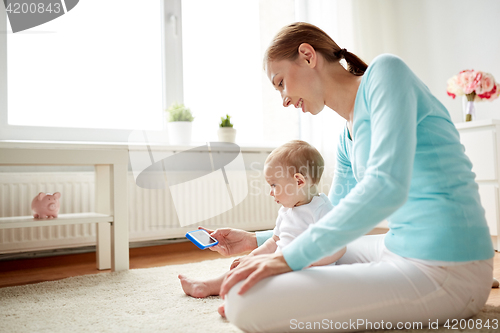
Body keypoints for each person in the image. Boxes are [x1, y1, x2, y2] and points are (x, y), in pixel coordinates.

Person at [202, 22, 495, 332]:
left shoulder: (386, 73)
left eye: (281, 83)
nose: (284, 100)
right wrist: (257, 240)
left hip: (448, 267)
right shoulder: (348, 136)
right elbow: (328, 215)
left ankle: (469, 284)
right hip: (398, 248)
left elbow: (387, 187)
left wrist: (283, 261)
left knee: (244, 302)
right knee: (305, 254)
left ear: (307, 55)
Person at [179, 140, 346, 310]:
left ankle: (237, 304)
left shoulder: (322, 209)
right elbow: (273, 242)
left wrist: (310, 260)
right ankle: (209, 287)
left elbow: (339, 247)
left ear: (299, 181)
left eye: (274, 185)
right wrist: (252, 257)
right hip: (280, 266)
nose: (270, 192)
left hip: (310, 274)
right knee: (249, 271)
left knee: (266, 286)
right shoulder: (286, 210)